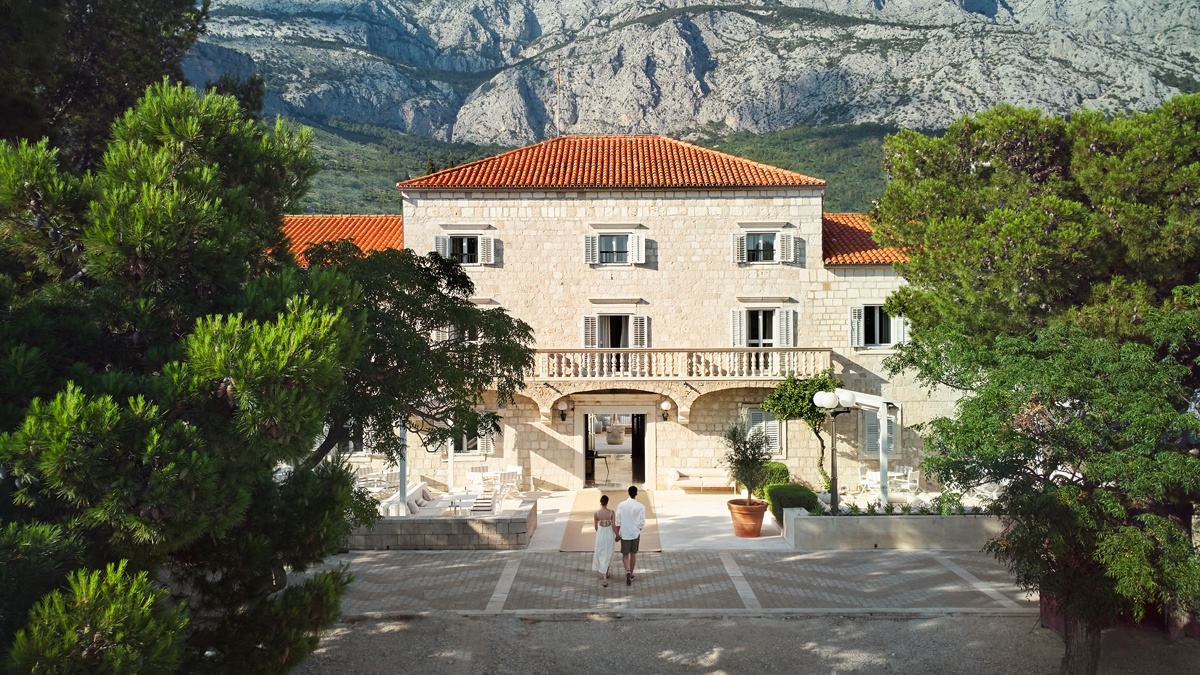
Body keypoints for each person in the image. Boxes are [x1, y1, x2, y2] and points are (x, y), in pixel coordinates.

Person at [614, 485, 646, 586]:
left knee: (625, 555)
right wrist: (638, 529)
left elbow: (618, 520)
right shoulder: (641, 507)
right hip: (635, 533)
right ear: (636, 494)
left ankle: (627, 570)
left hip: (625, 533)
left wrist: (617, 533)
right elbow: (642, 522)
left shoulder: (621, 505)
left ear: (628, 493)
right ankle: (631, 574)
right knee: (633, 554)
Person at [592, 494, 618, 587]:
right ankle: (606, 574)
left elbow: (596, 527)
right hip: (609, 533)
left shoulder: (596, 513)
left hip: (601, 533)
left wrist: (600, 531)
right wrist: (617, 534)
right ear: (607, 502)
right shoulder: (611, 512)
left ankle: (605, 575)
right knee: (608, 552)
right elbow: (613, 525)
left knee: (601, 552)